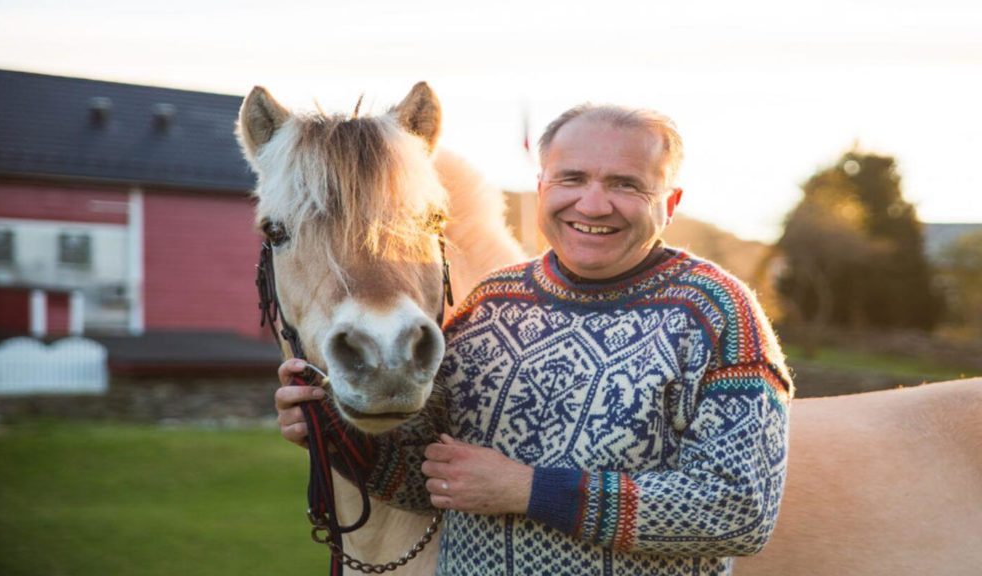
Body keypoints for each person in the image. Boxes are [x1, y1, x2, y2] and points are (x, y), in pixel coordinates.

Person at [276, 104, 793, 575]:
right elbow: (419, 482)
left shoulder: (718, 315)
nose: (593, 204)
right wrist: (332, 426)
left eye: (626, 185)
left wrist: (529, 490)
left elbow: (738, 510)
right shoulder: (490, 305)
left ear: (670, 202)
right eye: (572, 178)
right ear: (542, 187)